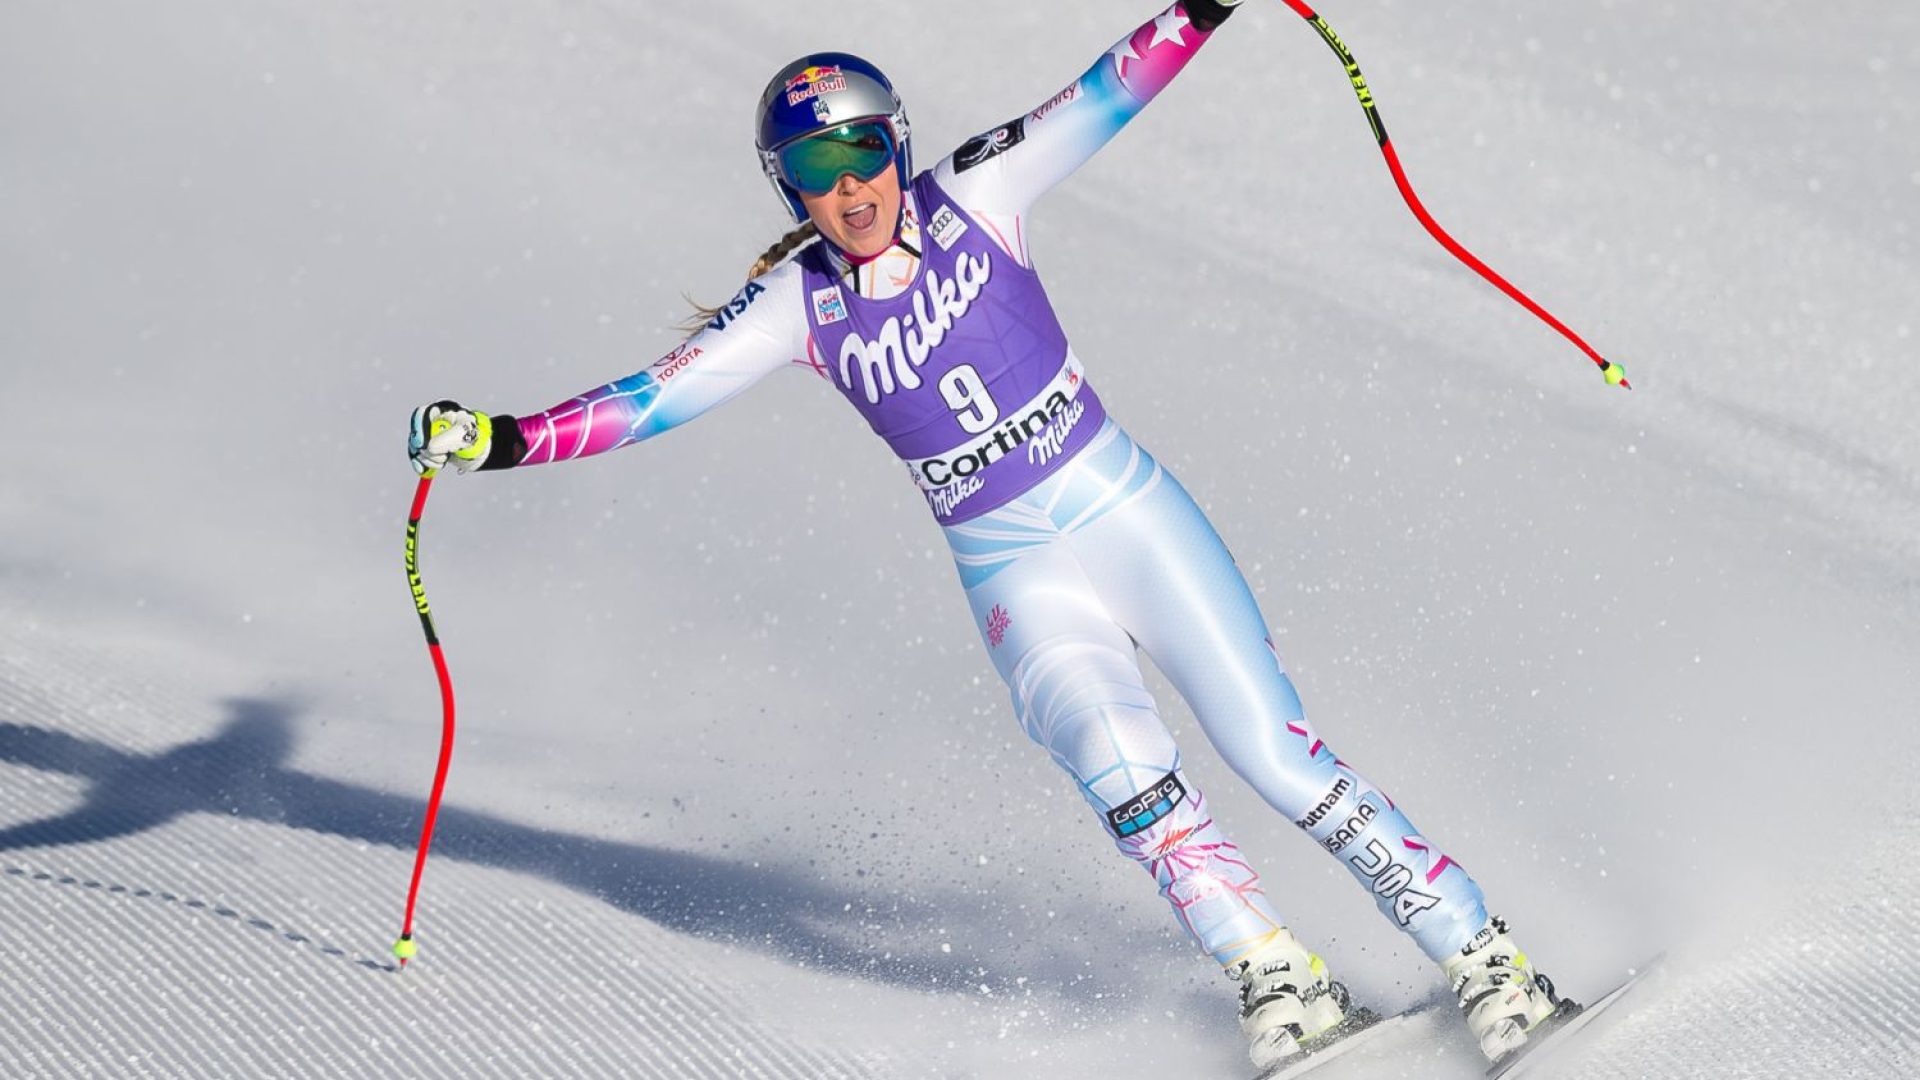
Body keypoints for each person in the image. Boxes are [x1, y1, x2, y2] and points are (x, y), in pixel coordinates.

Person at [408, 2, 1569, 1072]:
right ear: (787, 187)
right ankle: (1272, 972)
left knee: (1270, 748)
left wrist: (1203, 7)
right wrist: (498, 440)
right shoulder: (795, 307)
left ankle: (1483, 954)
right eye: (817, 168)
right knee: (1122, 770)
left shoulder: (980, 192)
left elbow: (1105, 92)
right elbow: (651, 398)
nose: (850, 184)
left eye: (864, 150)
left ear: (899, 143)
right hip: (1008, 565)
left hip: (1118, 506)